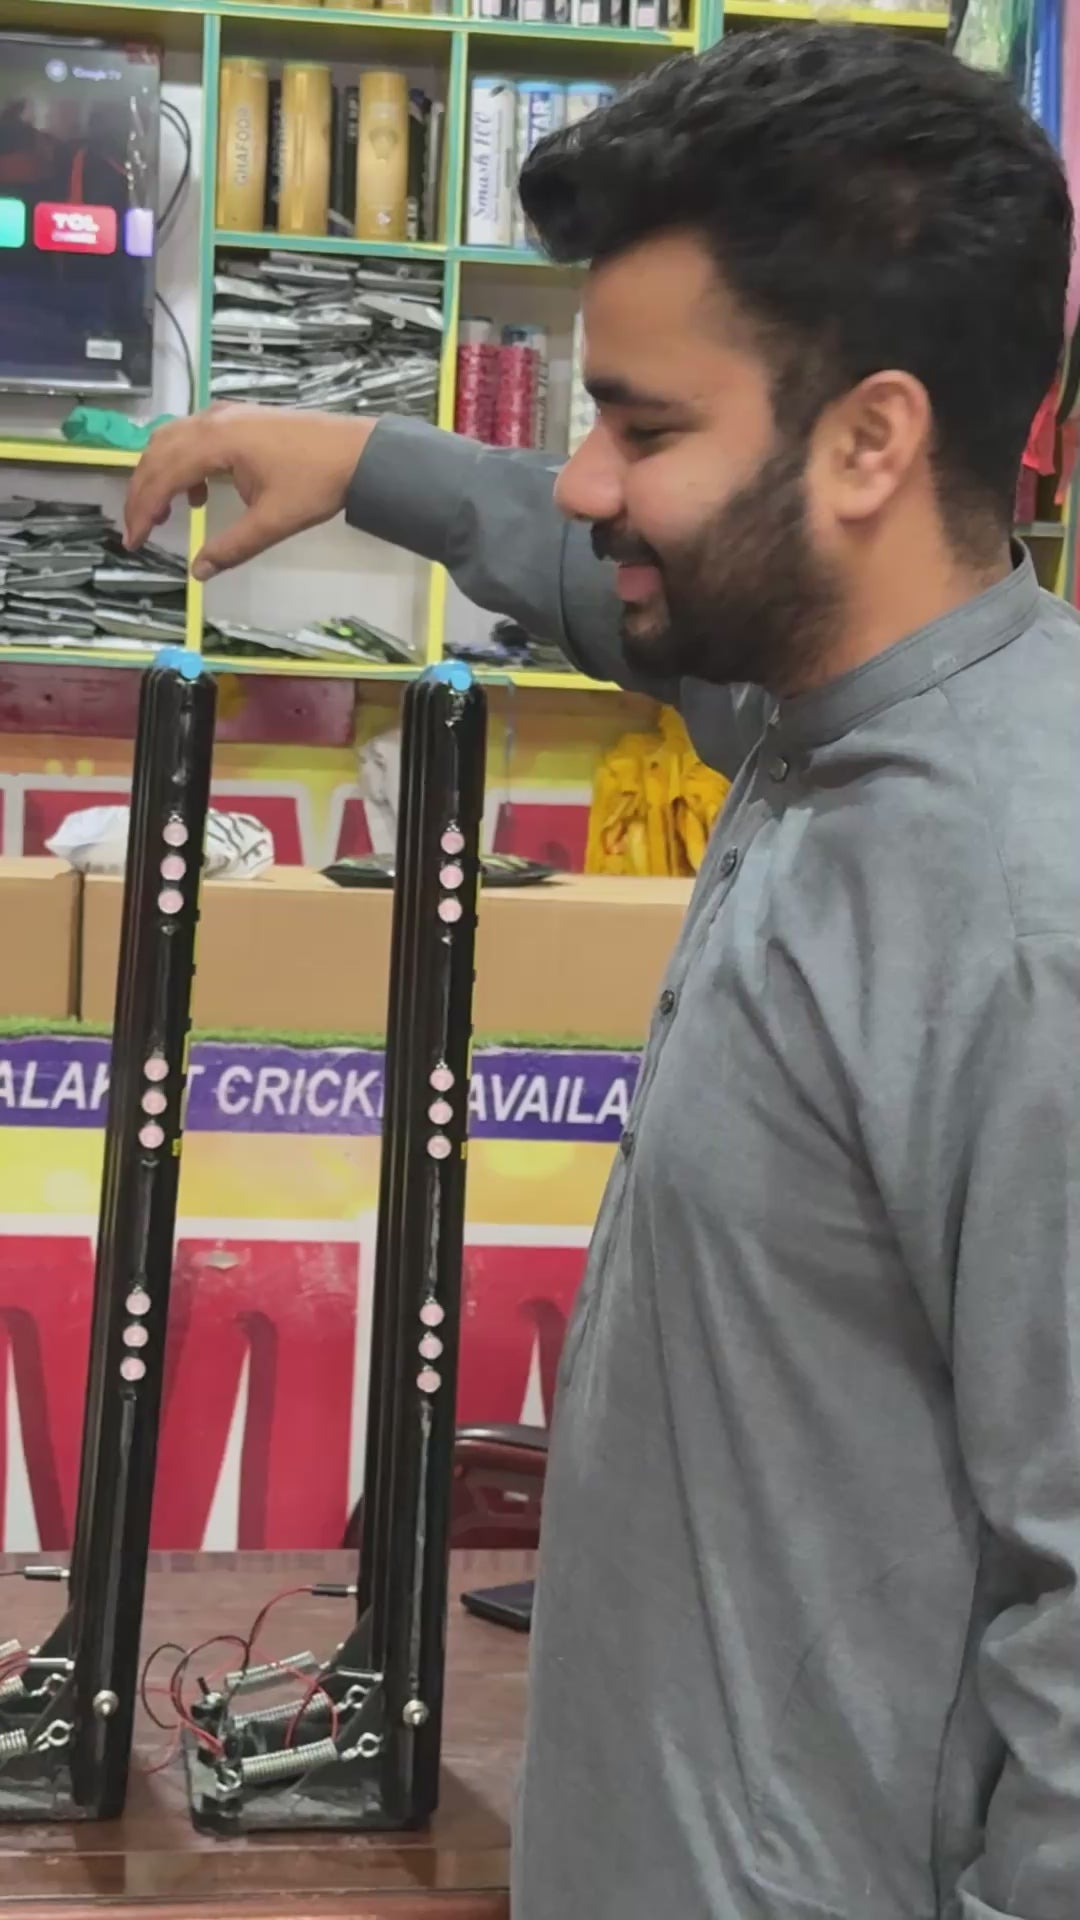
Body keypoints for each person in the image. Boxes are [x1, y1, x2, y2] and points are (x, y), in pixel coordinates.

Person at [126, 27, 1080, 1920]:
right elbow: (608, 596)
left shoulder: (1017, 916)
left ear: (872, 441)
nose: (581, 483)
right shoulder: (820, 719)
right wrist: (367, 460)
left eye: (641, 430)